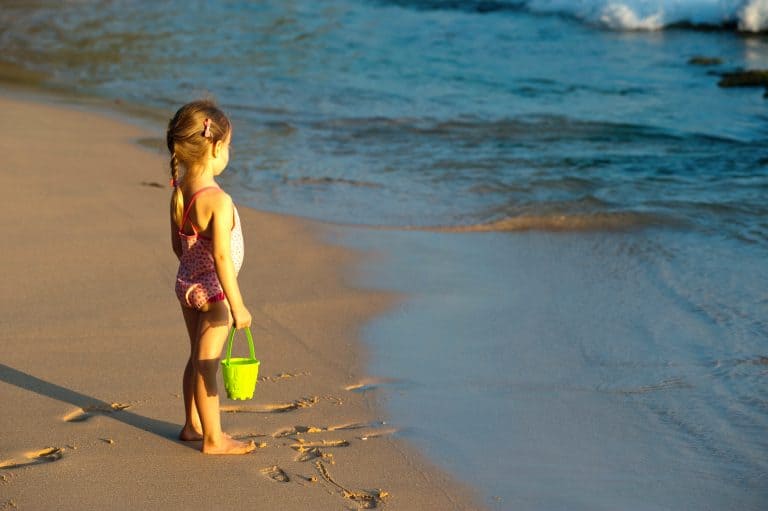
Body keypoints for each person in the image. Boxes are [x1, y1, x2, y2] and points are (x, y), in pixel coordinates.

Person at [167, 100, 256, 454]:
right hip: (215, 294)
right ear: (216, 147)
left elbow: (178, 244)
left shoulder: (181, 190)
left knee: (195, 357)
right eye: (229, 145)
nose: (228, 152)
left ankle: (192, 425)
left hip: (186, 283)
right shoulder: (218, 200)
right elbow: (221, 256)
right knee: (207, 365)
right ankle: (214, 438)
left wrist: (193, 272)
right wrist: (237, 306)